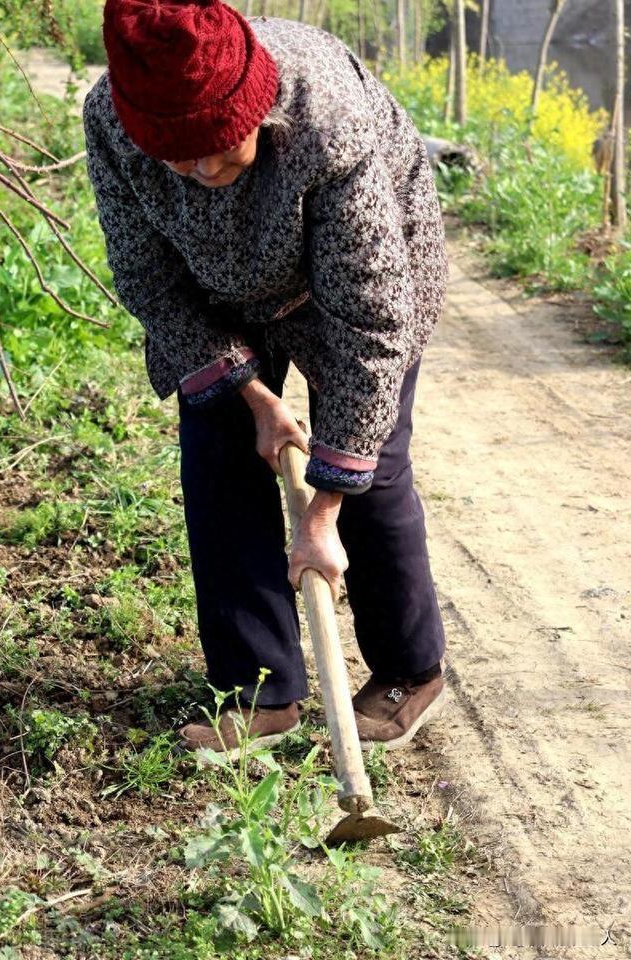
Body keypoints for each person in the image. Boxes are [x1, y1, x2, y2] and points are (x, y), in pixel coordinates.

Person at [83, 0, 449, 756]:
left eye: (219, 148)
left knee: (372, 466)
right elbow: (147, 277)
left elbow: (371, 326)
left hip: (351, 276)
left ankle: (409, 670)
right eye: (177, 158)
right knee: (218, 453)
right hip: (213, 287)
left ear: (255, 109)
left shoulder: (323, 112)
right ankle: (260, 690)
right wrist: (254, 396)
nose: (204, 171)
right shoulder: (112, 121)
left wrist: (321, 513)